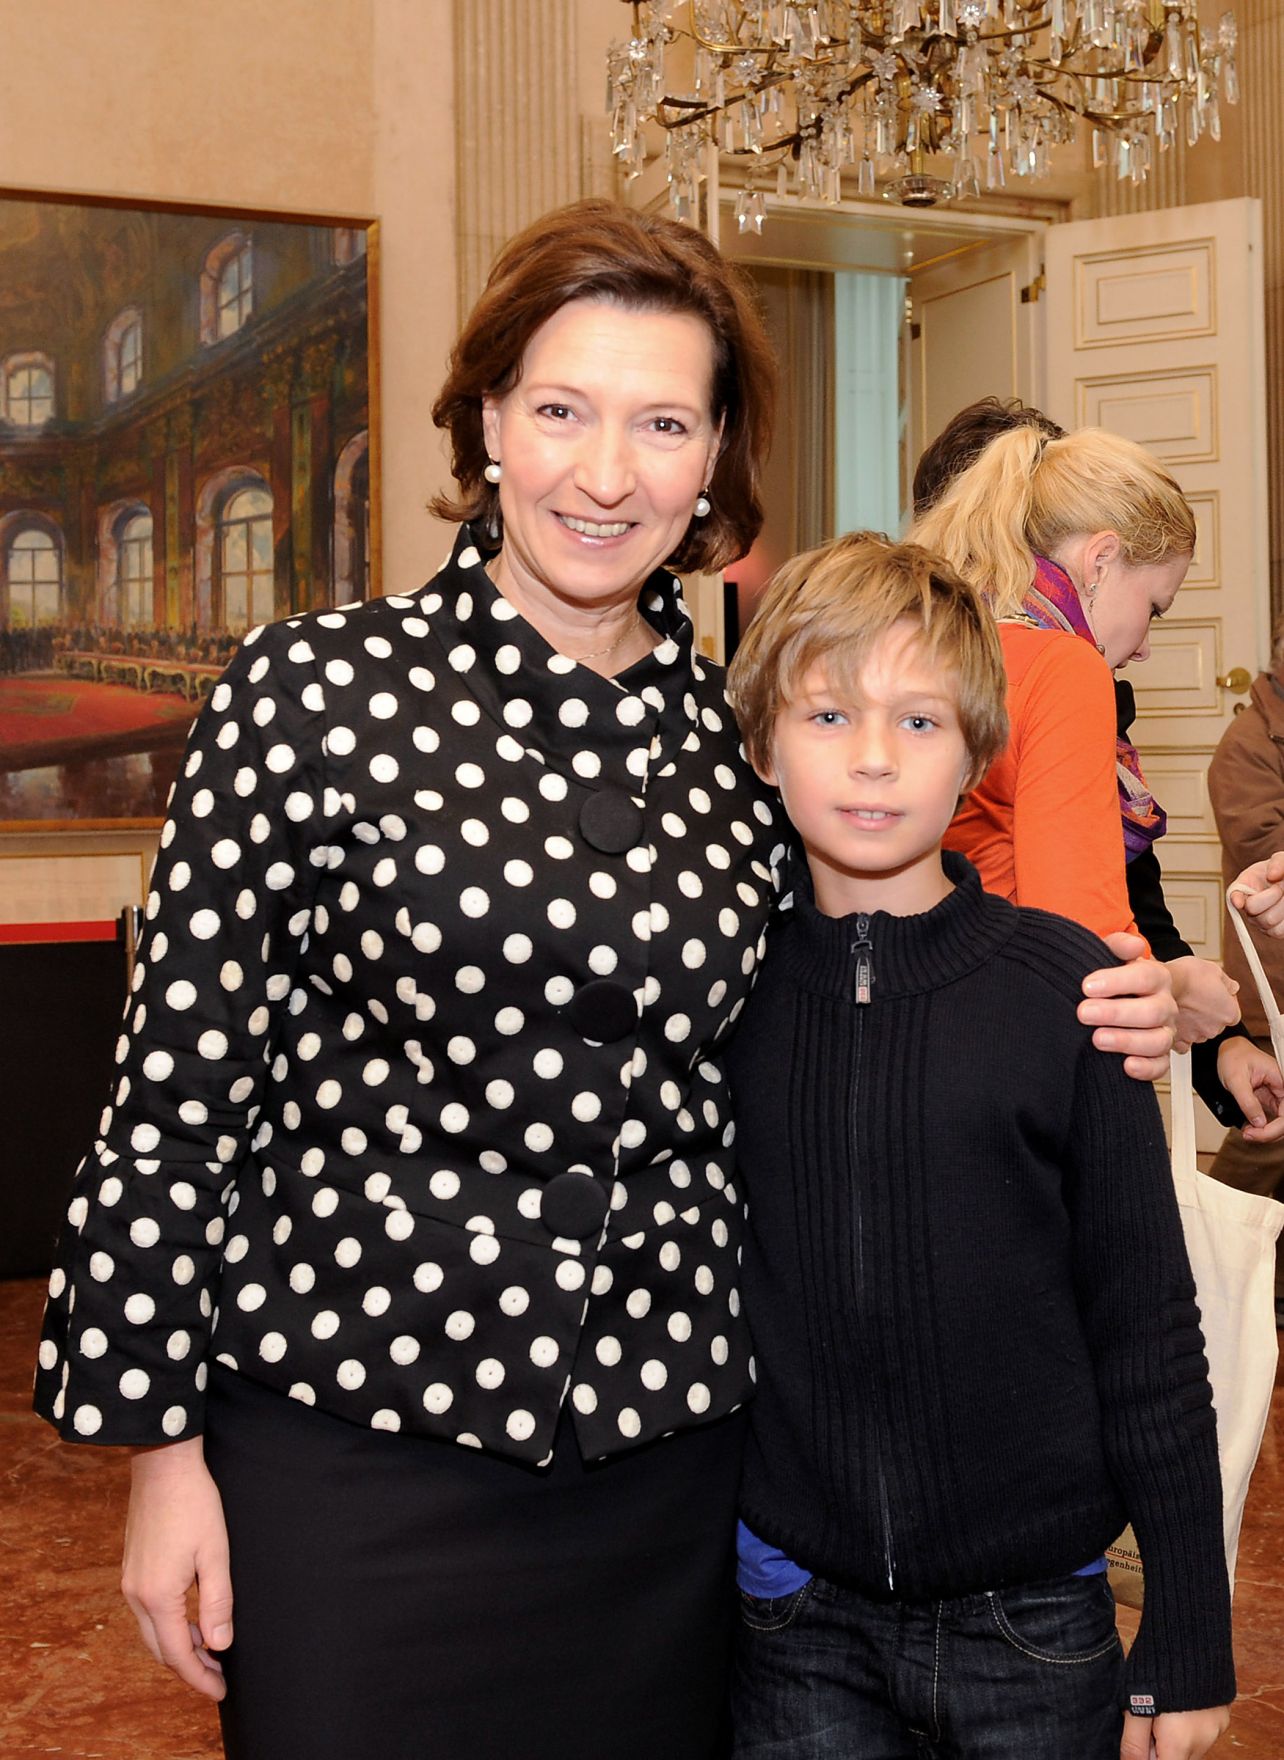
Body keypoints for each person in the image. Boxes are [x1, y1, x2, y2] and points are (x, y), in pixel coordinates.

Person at [31, 202, 1175, 1760]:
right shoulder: (311, 698)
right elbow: (169, 1104)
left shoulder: (736, 742)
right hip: (358, 1449)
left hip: (670, 1467)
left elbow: (890, 961)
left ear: (713, 463)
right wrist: (162, 1455)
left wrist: (1156, 996)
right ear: (490, 417)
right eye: (563, 409)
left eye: (661, 423)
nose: (606, 470)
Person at [724, 531, 1234, 1760]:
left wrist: (1190, 1622)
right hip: (793, 1614)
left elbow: (1148, 1324)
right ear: (761, 740)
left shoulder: (1065, 993)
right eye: (829, 711)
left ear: (978, 752)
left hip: (1036, 1615)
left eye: (918, 722)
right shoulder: (718, 998)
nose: (870, 758)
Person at [911, 418, 1284, 1140]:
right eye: (1153, 609)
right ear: (1101, 559)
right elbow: (1079, 943)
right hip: (1031, 1057)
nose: (1143, 646)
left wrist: (1215, 1039)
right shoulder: (1062, 667)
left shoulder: (951, 639)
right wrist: (1179, 991)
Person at [1207, 614, 1284, 1322]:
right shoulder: (1246, 745)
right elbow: (1263, 844)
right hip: (1274, 982)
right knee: (1267, 1133)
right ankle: (1215, 1267)